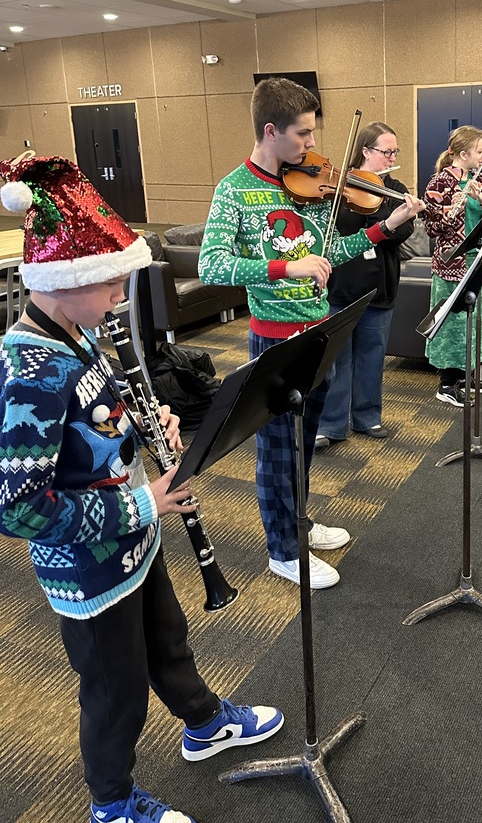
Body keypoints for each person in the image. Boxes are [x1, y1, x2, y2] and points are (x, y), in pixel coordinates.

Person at [0, 156, 283, 823]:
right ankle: (111, 803)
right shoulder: (29, 371)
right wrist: (143, 501)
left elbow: (95, 424)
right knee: (114, 690)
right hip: (88, 570)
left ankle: (204, 723)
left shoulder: (77, 333)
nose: (119, 297)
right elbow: (19, 509)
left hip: (133, 537)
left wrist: (146, 424)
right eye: (109, 284)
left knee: (166, 637)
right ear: (64, 278)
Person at [199, 79, 422, 589]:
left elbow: (331, 253)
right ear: (270, 131)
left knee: (302, 441)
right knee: (278, 448)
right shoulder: (235, 189)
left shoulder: (313, 185)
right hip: (275, 339)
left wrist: (387, 226)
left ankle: (298, 519)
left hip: (321, 330)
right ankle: (282, 550)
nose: (312, 145)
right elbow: (212, 264)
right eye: (302, 134)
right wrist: (286, 267)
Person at [315, 121, 413, 450]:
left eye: (395, 152)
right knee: (337, 358)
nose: (392, 158)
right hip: (341, 284)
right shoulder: (341, 186)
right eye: (387, 152)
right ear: (366, 151)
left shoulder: (395, 188)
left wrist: (381, 211)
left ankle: (367, 416)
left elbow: (402, 232)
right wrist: (371, 207)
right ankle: (331, 424)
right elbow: (337, 228)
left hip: (379, 286)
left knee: (372, 354)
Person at [422, 125, 482, 406]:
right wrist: (451, 211)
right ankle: (447, 383)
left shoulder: (480, 179)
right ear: (463, 154)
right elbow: (431, 228)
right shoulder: (439, 183)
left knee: (474, 321)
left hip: (477, 261)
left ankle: (467, 374)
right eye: (480, 150)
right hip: (451, 265)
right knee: (452, 325)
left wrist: (481, 199)